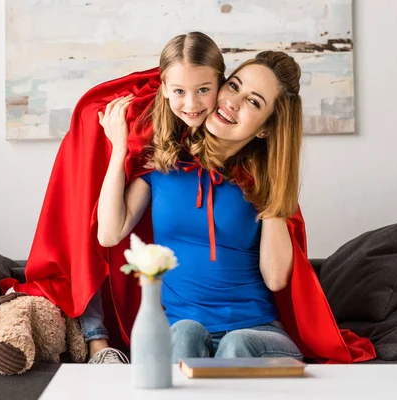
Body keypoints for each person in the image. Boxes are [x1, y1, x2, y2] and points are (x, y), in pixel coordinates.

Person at [97, 51, 305, 362]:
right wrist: (119, 150)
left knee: (237, 344)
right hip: (180, 329)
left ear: (265, 128)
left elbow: (275, 278)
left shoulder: (261, 184)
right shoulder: (161, 165)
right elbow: (109, 234)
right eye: (234, 86)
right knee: (185, 333)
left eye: (254, 102)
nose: (233, 102)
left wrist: (274, 184)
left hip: (258, 332)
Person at [79, 31, 226, 364]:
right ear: (163, 88)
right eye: (179, 91)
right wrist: (119, 149)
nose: (192, 104)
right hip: (180, 320)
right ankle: (96, 342)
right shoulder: (155, 155)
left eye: (203, 89)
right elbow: (108, 233)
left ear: (222, 84)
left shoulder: (242, 151)